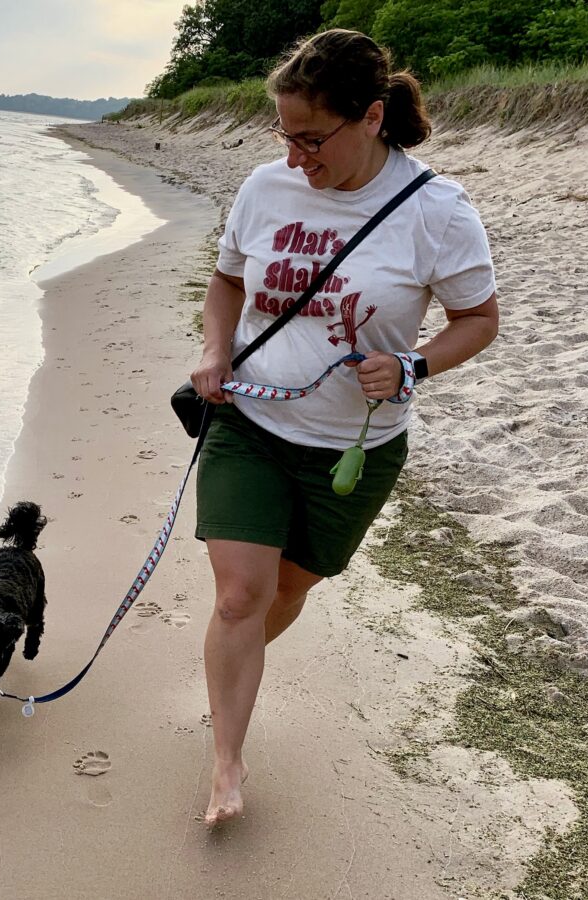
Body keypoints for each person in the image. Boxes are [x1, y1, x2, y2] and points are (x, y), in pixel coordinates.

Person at [189, 28, 499, 827]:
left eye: (311, 138)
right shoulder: (265, 187)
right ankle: (226, 762)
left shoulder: (435, 209)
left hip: (352, 447)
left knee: (290, 588)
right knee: (238, 595)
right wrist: (213, 352)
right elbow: (225, 283)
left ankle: (232, 670)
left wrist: (413, 366)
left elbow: (477, 319)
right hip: (247, 422)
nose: (295, 157)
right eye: (283, 136)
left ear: (370, 116)